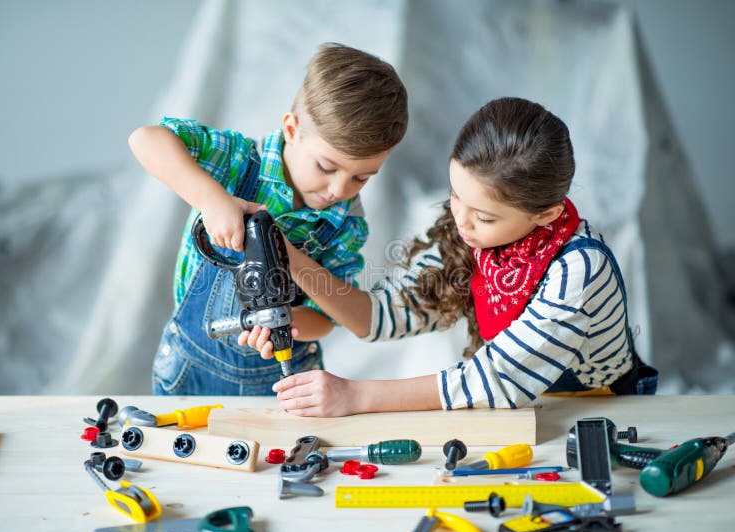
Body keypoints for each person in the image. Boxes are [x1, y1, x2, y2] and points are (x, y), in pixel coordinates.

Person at [241, 96, 659, 416]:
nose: (461, 219)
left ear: (545, 214)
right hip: (519, 410)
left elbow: (497, 379)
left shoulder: (581, 269)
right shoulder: (470, 234)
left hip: (600, 412)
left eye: (483, 215)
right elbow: (384, 314)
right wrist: (285, 255)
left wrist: (354, 394)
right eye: (456, 195)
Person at [128, 43, 408, 395]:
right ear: (292, 130)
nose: (339, 189)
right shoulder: (237, 163)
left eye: (362, 177)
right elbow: (147, 139)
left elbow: (327, 320)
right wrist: (212, 199)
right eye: (326, 167)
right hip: (189, 371)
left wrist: (285, 321)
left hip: (278, 383)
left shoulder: (344, 225)